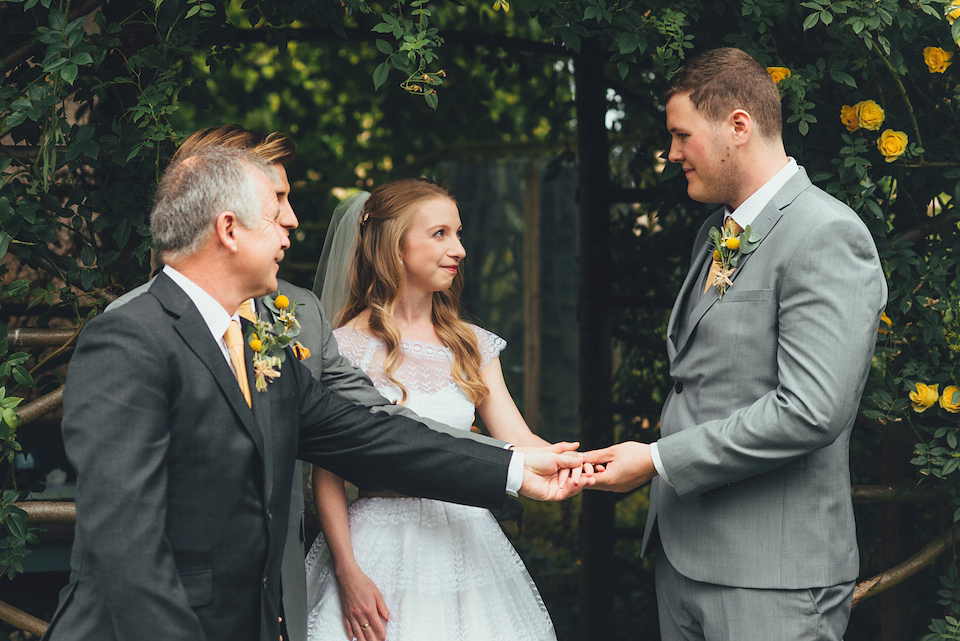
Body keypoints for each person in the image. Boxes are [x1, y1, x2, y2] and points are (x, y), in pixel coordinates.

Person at [42, 146, 590, 641]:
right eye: (275, 212)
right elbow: (125, 547)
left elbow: (367, 432)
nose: (292, 224)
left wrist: (513, 468)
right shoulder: (129, 339)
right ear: (229, 230)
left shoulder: (262, 344)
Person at [584, 47, 887, 640]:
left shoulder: (825, 234)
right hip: (685, 559)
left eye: (681, 135)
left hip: (771, 576)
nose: (672, 153)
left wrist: (656, 459)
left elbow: (810, 410)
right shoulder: (715, 232)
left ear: (738, 126)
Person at [304, 180, 560, 641]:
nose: (459, 248)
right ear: (394, 246)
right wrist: (348, 571)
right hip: (375, 544)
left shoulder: (473, 345)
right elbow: (326, 475)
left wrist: (578, 463)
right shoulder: (344, 348)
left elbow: (519, 441)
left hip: (466, 542)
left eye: (458, 233)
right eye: (440, 233)